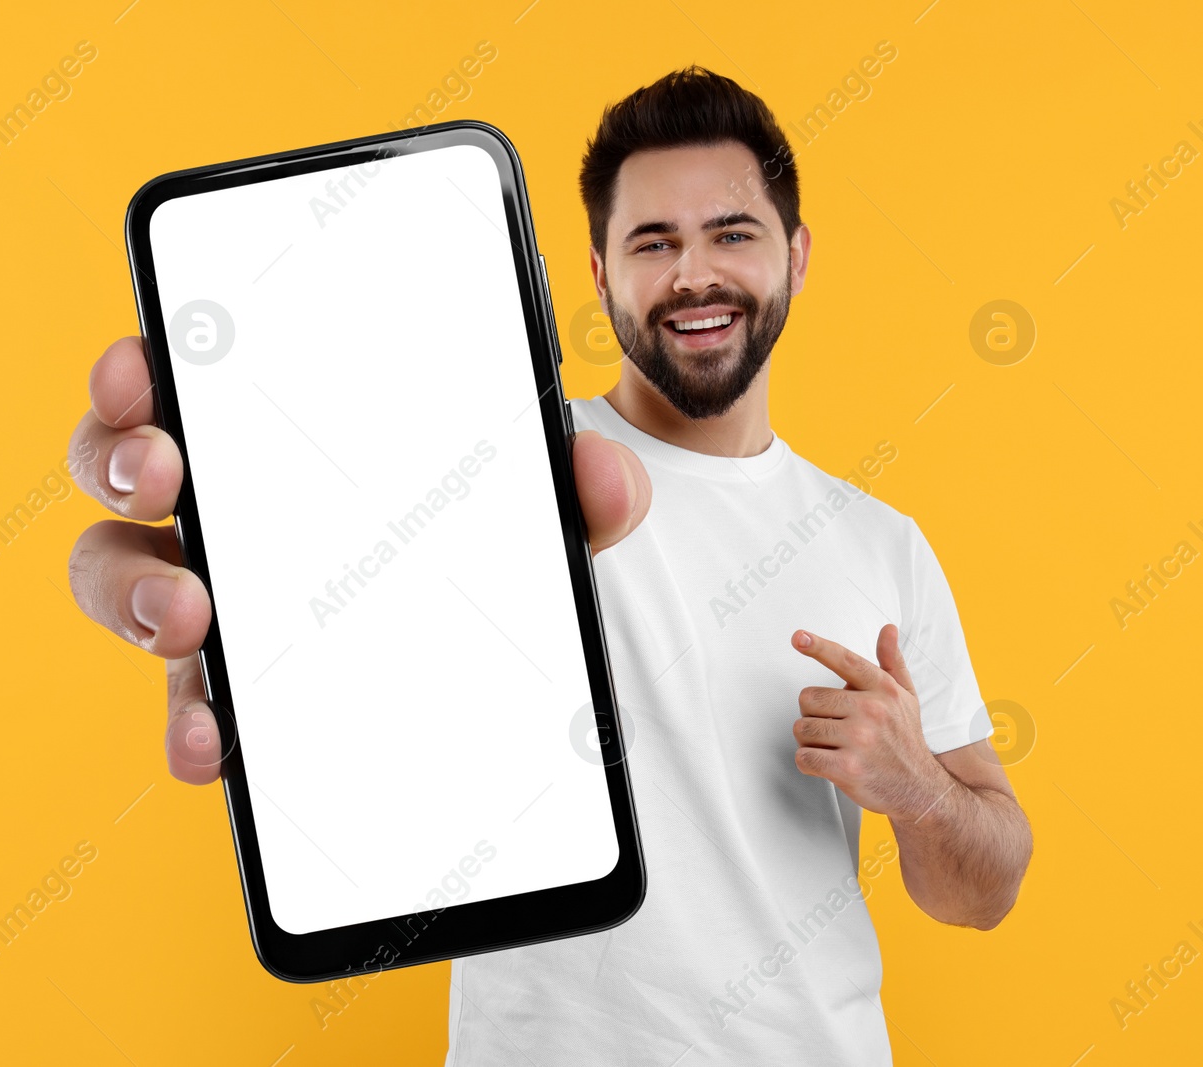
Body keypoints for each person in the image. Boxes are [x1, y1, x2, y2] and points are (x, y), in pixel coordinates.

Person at [64, 66, 1032, 1066]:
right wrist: (214, 562)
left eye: (732, 233)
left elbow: (983, 889)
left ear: (795, 255)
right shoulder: (496, 458)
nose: (693, 274)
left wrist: (917, 786)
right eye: (652, 242)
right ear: (598, 272)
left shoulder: (880, 543)